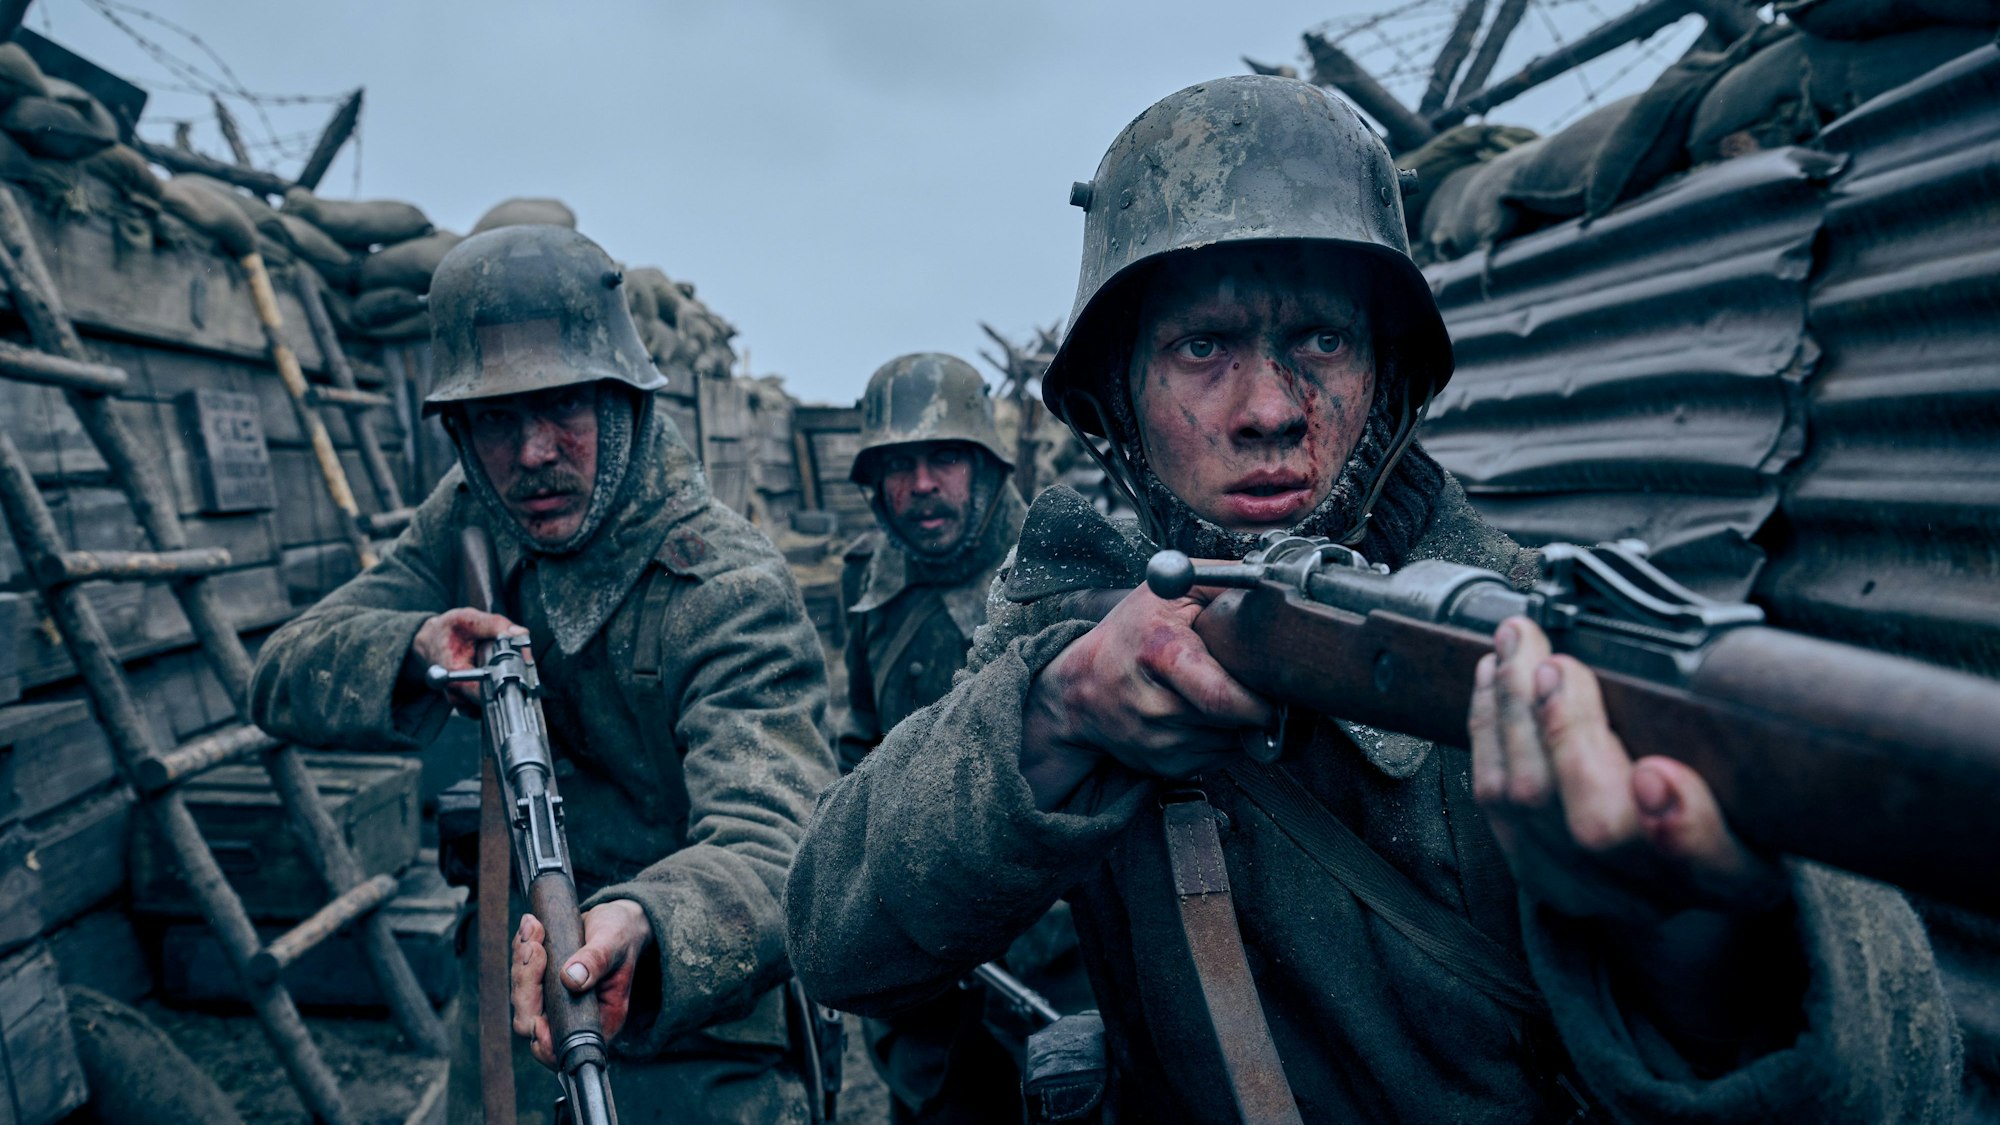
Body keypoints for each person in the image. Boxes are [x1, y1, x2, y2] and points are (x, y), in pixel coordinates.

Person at [785, 76, 1960, 1123]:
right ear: (1117, 402)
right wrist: (1051, 720)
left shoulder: (1510, 634)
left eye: (1319, 343)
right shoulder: (1069, 629)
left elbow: (1897, 1080)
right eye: (1201, 348)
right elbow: (841, 941)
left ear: (1385, 382)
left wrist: (1700, 942)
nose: (1267, 408)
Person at [251, 225, 834, 1125]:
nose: (531, 454)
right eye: (495, 419)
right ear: (459, 431)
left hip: (685, 1020)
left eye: (562, 406)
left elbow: (782, 842)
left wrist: (640, 922)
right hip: (504, 1018)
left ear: (622, 402)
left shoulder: (726, 585)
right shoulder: (467, 521)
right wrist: (414, 645)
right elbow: (281, 672)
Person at [837, 353, 1084, 1123]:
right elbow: (859, 739)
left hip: (1061, 961)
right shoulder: (868, 583)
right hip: (925, 978)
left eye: (943, 458)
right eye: (898, 466)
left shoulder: (1061, 560)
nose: (921, 487)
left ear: (985, 463)